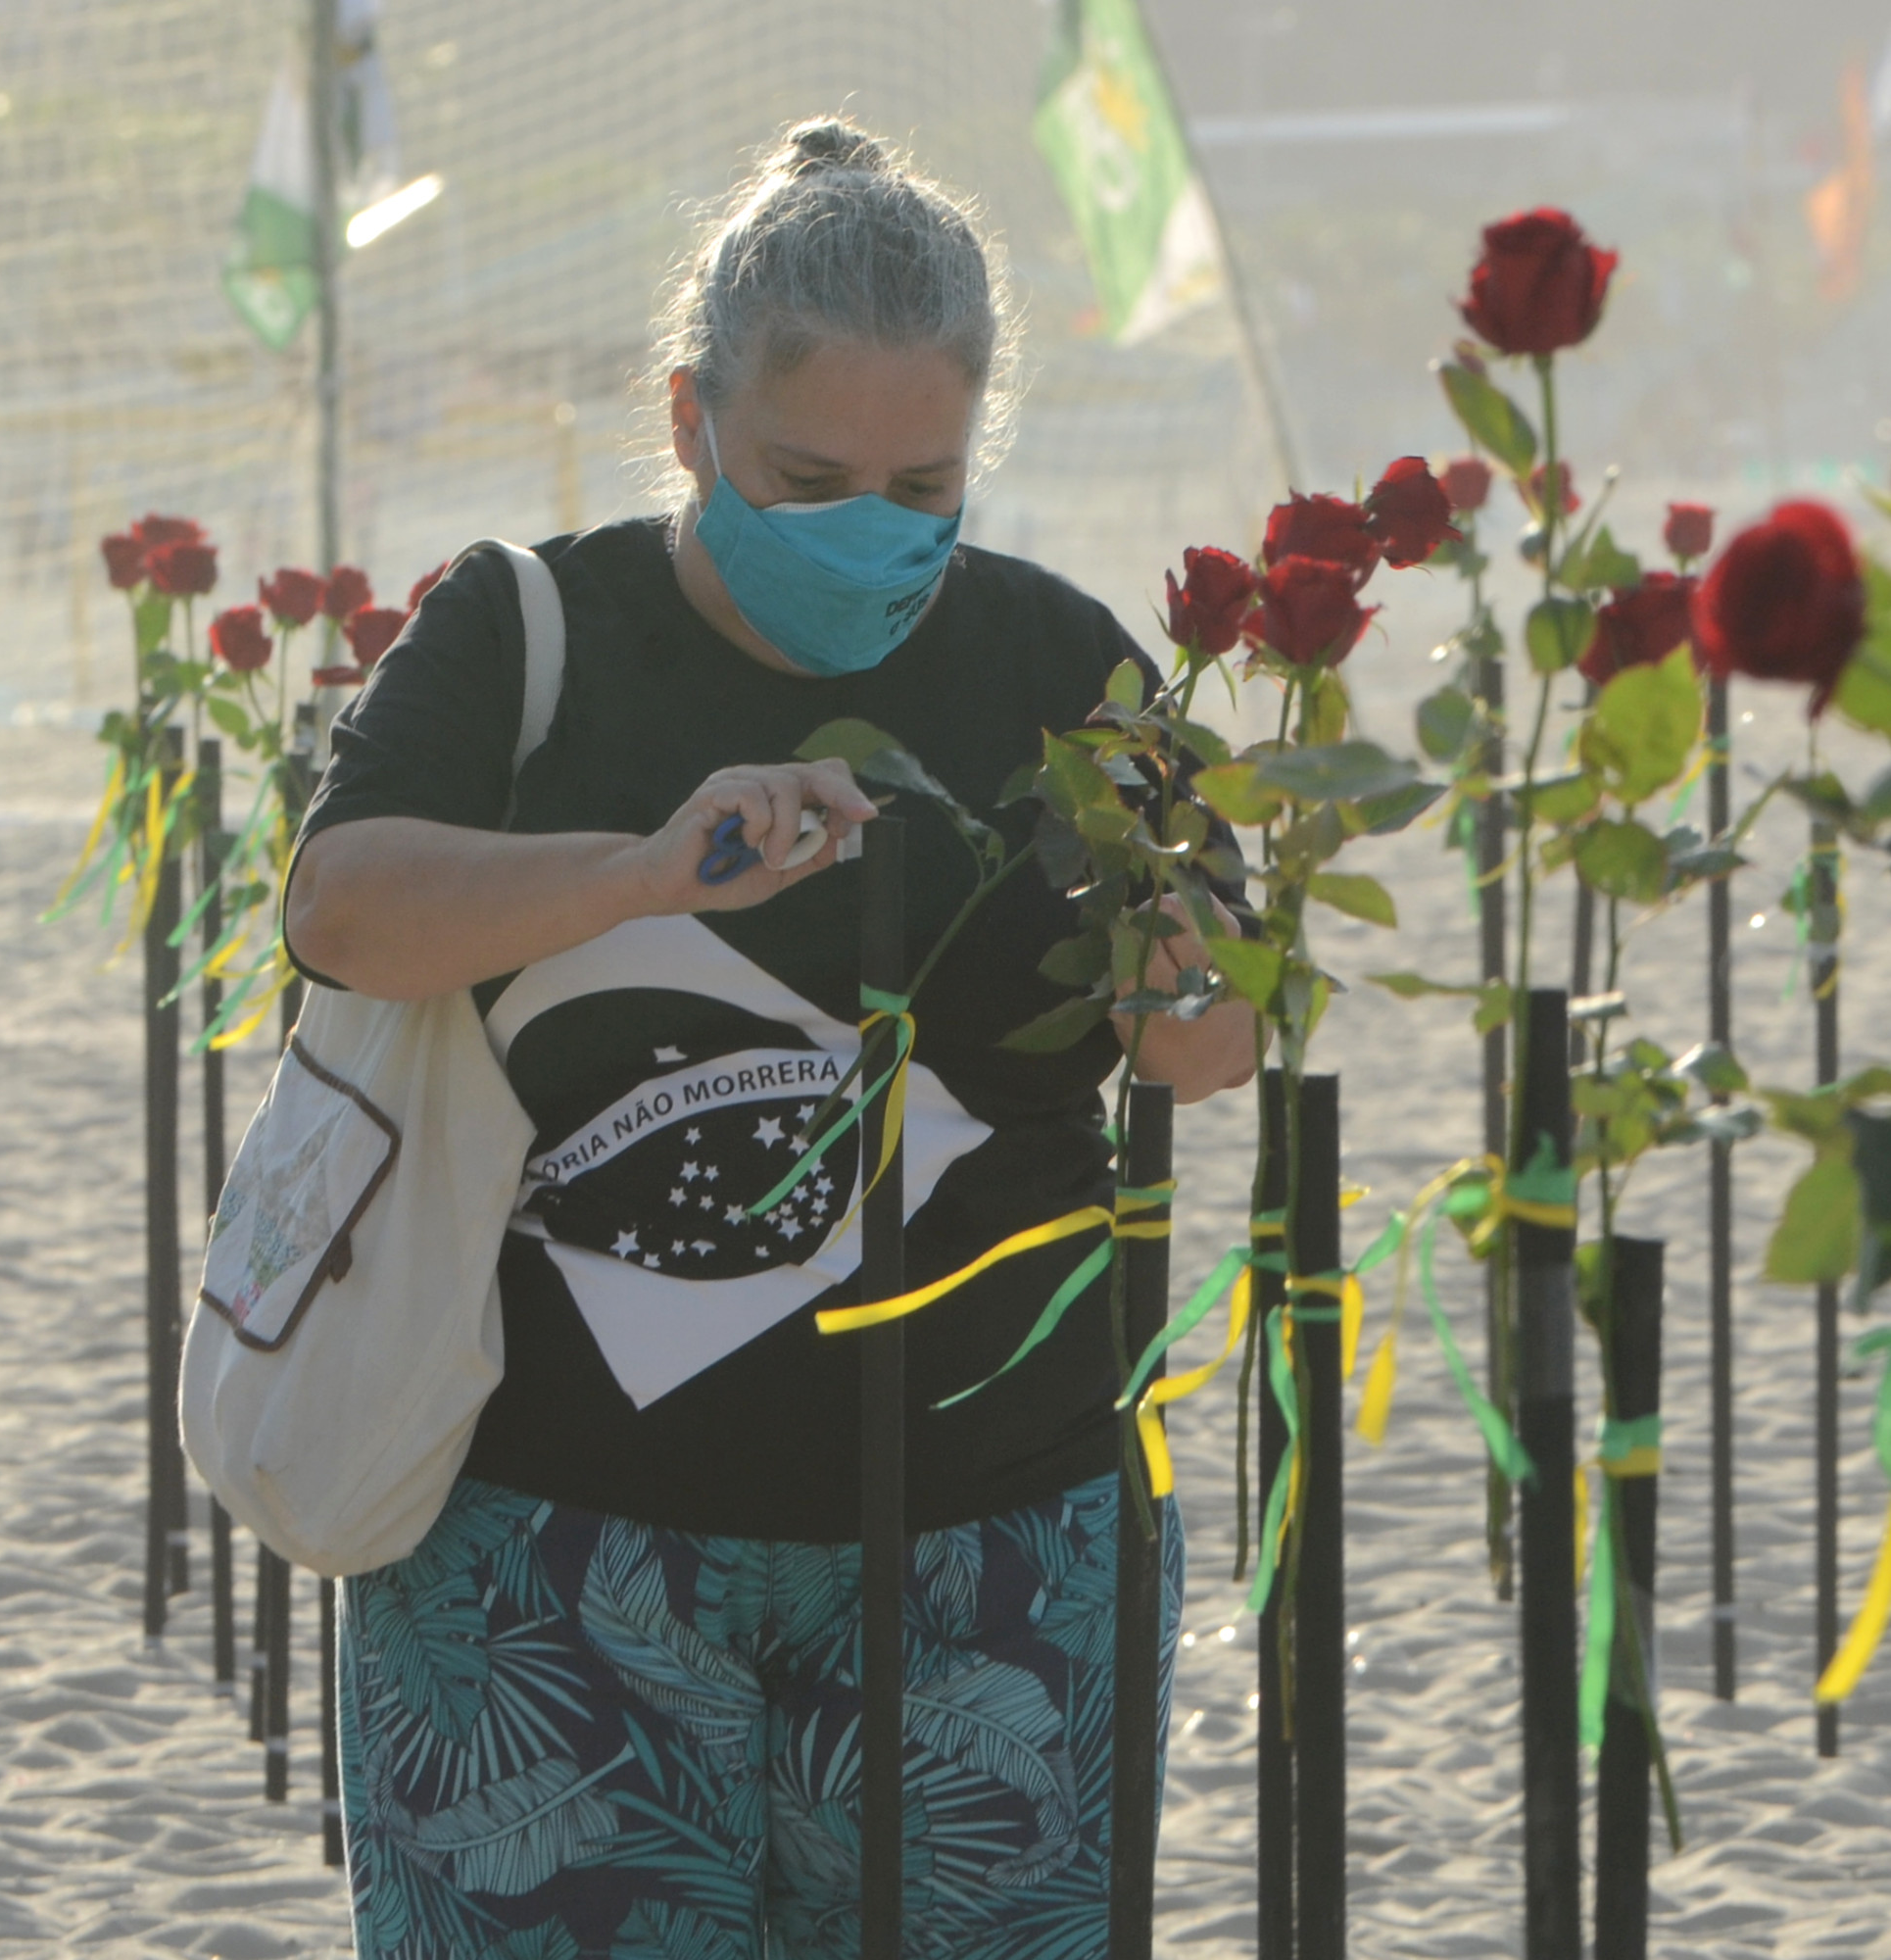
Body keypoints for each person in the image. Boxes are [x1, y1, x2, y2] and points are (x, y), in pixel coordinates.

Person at [282, 118, 1257, 1959]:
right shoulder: (531, 632)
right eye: (809, 476)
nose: (867, 530)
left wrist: (1189, 963)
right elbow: (343, 909)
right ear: (689, 423)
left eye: (924, 482)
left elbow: (1211, 1054)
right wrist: (642, 875)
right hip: (557, 1564)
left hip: (993, 1562)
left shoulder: (1060, 665)